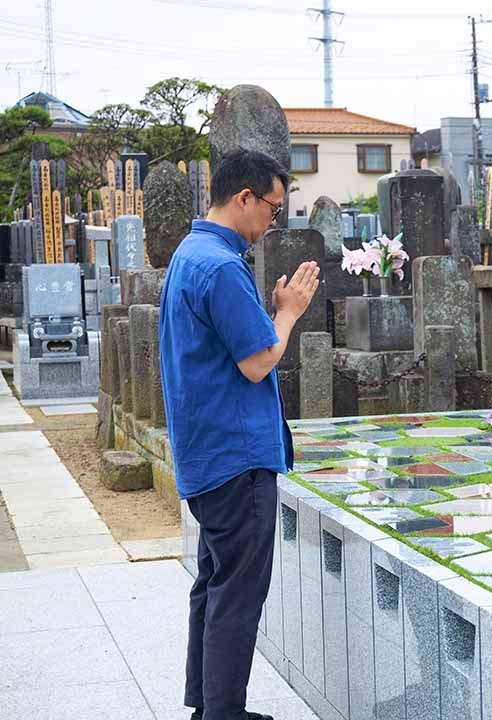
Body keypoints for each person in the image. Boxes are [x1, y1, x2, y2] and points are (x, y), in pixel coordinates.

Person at [159, 148, 321, 720]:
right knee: (237, 592)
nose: (274, 220)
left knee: (214, 581)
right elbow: (258, 362)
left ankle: (208, 706)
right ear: (244, 197)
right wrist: (289, 311)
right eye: (273, 208)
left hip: (205, 451)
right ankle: (223, 713)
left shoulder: (190, 252)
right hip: (236, 456)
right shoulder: (222, 267)